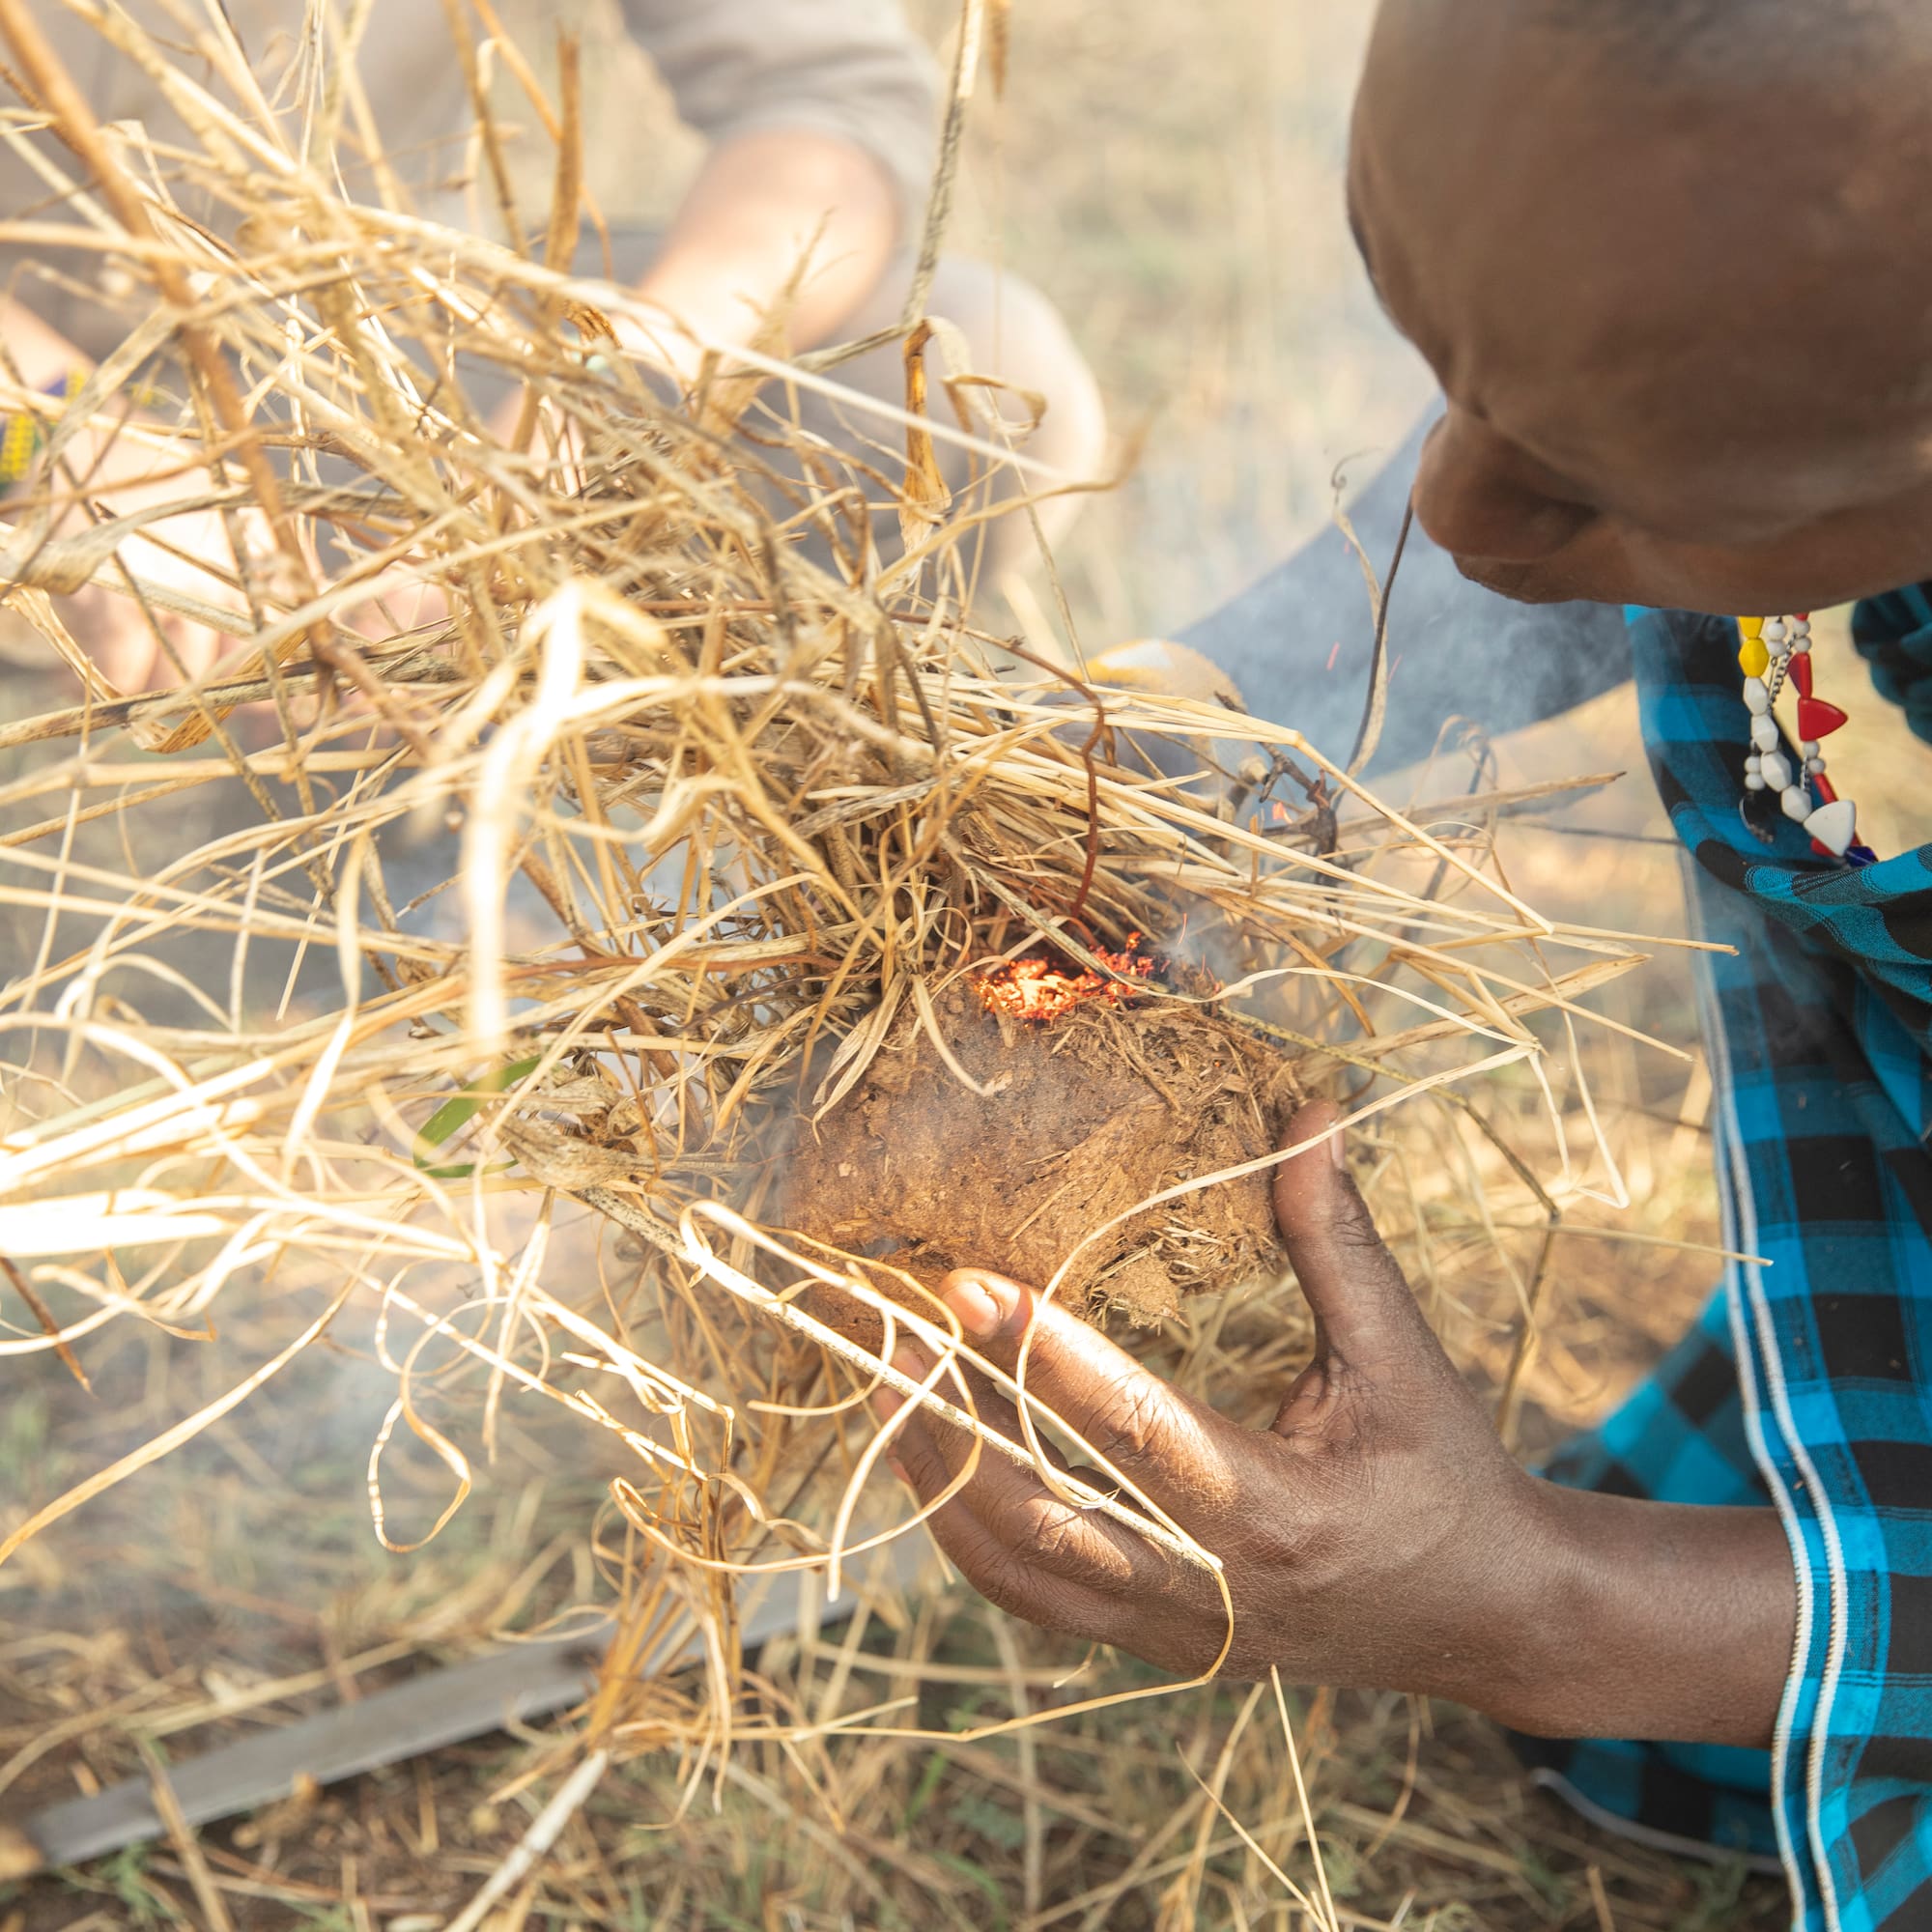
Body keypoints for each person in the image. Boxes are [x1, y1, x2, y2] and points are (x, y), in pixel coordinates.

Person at [879, 3, 1932, 1924]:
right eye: (1429, 344)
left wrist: (1545, 1602)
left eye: (1601, 489)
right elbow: (1582, 419)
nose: (1448, 507)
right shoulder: (1802, 338)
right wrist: (1213, 712)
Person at [0, 0, 1104, 690]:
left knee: (966, 380)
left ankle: (510, 797)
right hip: (27, 406)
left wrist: (606, 390)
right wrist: (57, 432)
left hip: (386, 378)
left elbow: (826, 99)